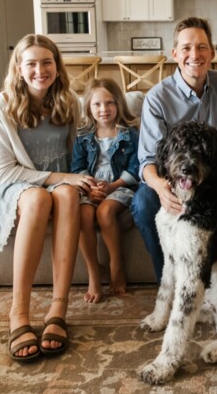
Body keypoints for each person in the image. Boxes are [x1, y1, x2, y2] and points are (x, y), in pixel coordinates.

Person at [0, 33, 97, 362]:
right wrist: (65, 178)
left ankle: (58, 310)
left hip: (61, 183)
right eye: (31, 63)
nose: (39, 70)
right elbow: (5, 173)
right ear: (18, 68)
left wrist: (88, 180)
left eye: (47, 62)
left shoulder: (69, 102)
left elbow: (78, 155)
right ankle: (19, 313)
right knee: (37, 200)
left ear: (57, 68)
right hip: (14, 186)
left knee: (68, 197)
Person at [131, 17, 217, 282]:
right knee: (143, 203)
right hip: (172, 180)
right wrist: (160, 188)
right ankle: (170, 283)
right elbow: (147, 160)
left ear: (212, 52)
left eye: (202, 47)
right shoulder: (158, 97)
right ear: (175, 54)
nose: (195, 54)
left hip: (215, 179)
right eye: (187, 48)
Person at [71, 78, 140, 303]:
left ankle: (116, 265)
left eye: (109, 103)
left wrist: (112, 186)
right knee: (84, 213)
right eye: (97, 104)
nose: (104, 109)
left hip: (121, 186)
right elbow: (77, 167)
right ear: (89, 108)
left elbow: (135, 168)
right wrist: (90, 187)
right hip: (91, 189)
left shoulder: (129, 134)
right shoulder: (82, 136)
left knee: (104, 212)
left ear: (119, 104)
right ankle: (94, 273)